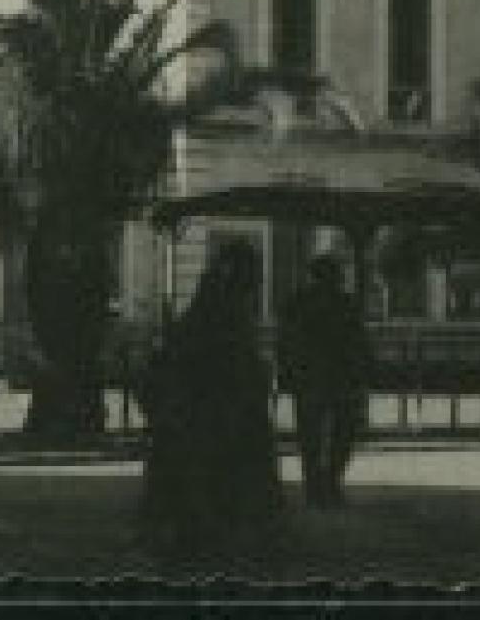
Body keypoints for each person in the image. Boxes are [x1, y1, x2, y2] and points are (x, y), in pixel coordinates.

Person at [139, 240, 284, 563]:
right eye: (253, 276)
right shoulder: (223, 310)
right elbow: (222, 360)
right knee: (214, 475)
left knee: (207, 477)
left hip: (214, 409)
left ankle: (203, 534)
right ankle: (208, 536)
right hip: (212, 410)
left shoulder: (215, 307)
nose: (256, 283)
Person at [276, 253, 366, 508]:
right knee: (341, 433)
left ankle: (317, 487)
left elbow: (285, 341)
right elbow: (358, 343)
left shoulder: (298, 303)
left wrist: (286, 372)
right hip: (337, 380)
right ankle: (329, 483)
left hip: (312, 380)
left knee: (311, 436)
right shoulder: (345, 304)